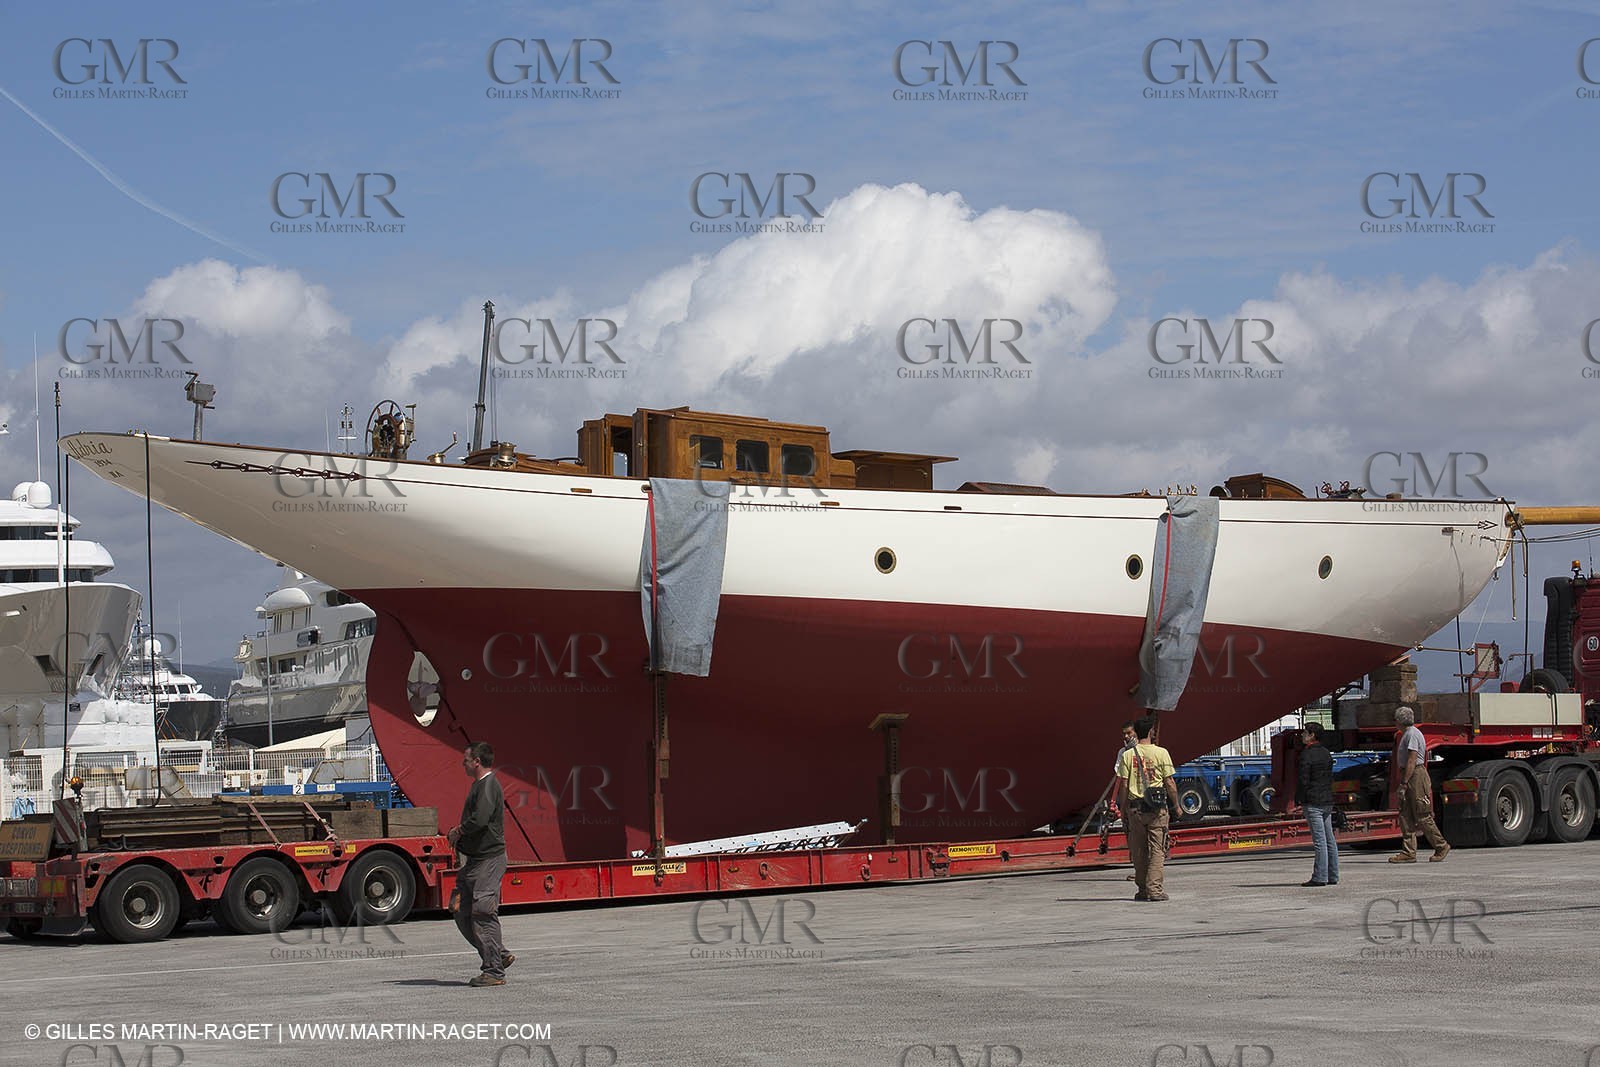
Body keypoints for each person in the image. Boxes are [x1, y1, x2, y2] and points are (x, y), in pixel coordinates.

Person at [448, 741, 512, 986]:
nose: (462, 764)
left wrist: (458, 832)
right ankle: (499, 954)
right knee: (460, 910)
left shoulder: (487, 786)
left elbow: (481, 819)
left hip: (488, 860)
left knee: (483, 912)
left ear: (476, 761)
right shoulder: (480, 786)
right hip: (475, 861)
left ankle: (494, 971)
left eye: (465, 760)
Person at [1117, 715, 1179, 901]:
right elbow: (1169, 782)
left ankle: (1143, 890)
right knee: (1157, 850)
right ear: (1151, 732)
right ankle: (1155, 890)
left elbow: (1124, 786)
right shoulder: (1162, 753)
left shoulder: (1127, 755)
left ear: (1136, 732)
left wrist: (1123, 809)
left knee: (1139, 852)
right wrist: (1176, 805)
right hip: (1156, 809)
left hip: (1135, 810)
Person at [1390, 707, 1450, 863]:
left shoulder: (1412, 735)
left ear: (1399, 721)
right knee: (1405, 814)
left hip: (1415, 775)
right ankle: (1408, 851)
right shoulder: (1406, 734)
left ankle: (1441, 845)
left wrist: (1403, 783)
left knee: (1422, 814)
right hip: (1409, 774)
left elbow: (1412, 759)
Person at [1297, 722, 1338, 886]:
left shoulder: (1307, 754)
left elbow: (1303, 779)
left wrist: (1299, 798)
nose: (1302, 735)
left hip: (1313, 800)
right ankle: (1333, 875)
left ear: (1312, 735)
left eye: (1304, 732)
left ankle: (1320, 876)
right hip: (1327, 798)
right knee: (1330, 839)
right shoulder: (1326, 752)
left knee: (1319, 841)